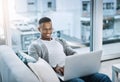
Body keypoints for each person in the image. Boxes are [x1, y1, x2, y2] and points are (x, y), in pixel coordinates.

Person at [28, 17, 112, 82]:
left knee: (104, 78)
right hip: (60, 75)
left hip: (74, 70)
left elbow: (73, 53)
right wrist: (54, 68)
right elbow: (36, 65)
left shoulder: (60, 41)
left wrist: (75, 63)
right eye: (45, 29)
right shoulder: (34, 46)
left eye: (50, 28)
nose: (48, 31)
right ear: (39, 29)